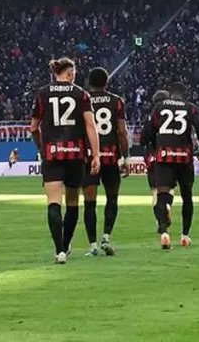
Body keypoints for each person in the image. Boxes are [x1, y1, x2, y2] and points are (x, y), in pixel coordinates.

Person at [29, 58, 101, 264]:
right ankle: (66, 244)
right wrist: (96, 154)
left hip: (52, 154)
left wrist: (42, 147)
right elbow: (90, 125)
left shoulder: (42, 93)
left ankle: (59, 250)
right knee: (72, 202)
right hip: (76, 155)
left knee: (53, 202)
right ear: (70, 74)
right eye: (74, 74)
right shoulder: (81, 94)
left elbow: (33, 128)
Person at [140, 81, 199, 250]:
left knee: (161, 194)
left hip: (164, 156)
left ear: (170, 94)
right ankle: (185, 235)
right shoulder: (190, 108)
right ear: (184, 94)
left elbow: (146, 133)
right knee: (187, 197)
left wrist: (152, 143)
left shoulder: (159, 106)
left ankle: (164, 232)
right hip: (184, 158)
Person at [81, 67, 129, 257]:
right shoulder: (116, 101)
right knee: (112, 198)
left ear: (89, 82)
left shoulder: (83, 99)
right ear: (106, 82)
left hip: (90, 158)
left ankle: (92, 245)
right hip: (111, 157)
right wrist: (125, 157)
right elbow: (122, 132)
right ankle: (106, 237)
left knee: (89, 202)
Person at [145, 90, 172, 231]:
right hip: (170, 155)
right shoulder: (173, 117)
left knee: (155, 190)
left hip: (153, 156)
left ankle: (159, 220)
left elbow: (144, 138)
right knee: (169, 187)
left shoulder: (151, 117)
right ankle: (167, 205)